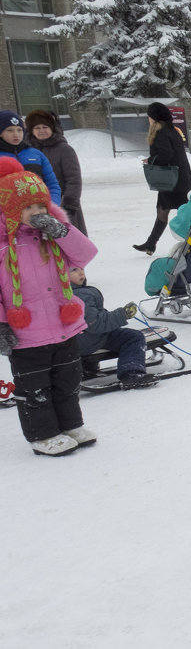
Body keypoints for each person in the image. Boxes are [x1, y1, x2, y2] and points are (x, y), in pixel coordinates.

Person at [0, 157, 97, 456]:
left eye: (41, 206)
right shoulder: (3, 245)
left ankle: (70, 424)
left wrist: (62, 230)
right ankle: (42, 435)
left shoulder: (53, 237)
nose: (37, 213)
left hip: (63, 325)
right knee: (35, 388)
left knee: (68, 381)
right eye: (29, 208)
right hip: (26, 333)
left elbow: (86, 254)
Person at [69, 266, 156, 389]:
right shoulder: (80, 295)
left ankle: (88, 366)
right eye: (74, 270)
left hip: (75, 340)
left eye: (81, 268)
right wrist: (122, 314)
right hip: (90, 340)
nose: (80, 273)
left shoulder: (63, 293)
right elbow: (95, 323)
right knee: (133, 338)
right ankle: (132, 373)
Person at [133, 102, 191, 254]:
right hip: (176, 179)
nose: (148, 119)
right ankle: (151, 243)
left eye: (149, 116)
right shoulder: (171, 130)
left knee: (185, 214)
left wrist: (151, 160)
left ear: (154, 118)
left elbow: (166, 155)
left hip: (173, 182)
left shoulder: (161, 133)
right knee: (163, 210)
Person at [25, 109, 85, 234]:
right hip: (35, 208)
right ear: (31, 130)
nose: (41, 130)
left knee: (68, 244)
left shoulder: (64, 149)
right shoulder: (26, 151)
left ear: (52, 128)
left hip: (62, 205)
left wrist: (69, 205)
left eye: (45, 127)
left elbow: (74, 180)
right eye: (37, 127)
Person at [0, 111, 61, 206]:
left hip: (39, 212)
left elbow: (52, 185)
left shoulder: (35, 154)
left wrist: (51, 206)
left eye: (19, 130)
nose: (16, 134)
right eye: (10, 130)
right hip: (7, 216)